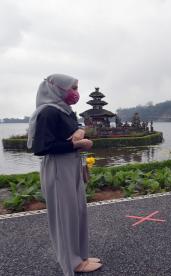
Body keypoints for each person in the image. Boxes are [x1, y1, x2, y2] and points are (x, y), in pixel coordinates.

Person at [27, 74, 102, 275]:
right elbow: (42, 147)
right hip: (59, 167)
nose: (75, 93)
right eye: (73, 87)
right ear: (57, 88)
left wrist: (79, 131)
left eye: (76, 87)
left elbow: (74, 128)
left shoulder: (65, 110)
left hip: (72, 165)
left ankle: (81, 256)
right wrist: (76, 144)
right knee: (64, 215)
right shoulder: (47, 112)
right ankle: (72, 263)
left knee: (77, 212)